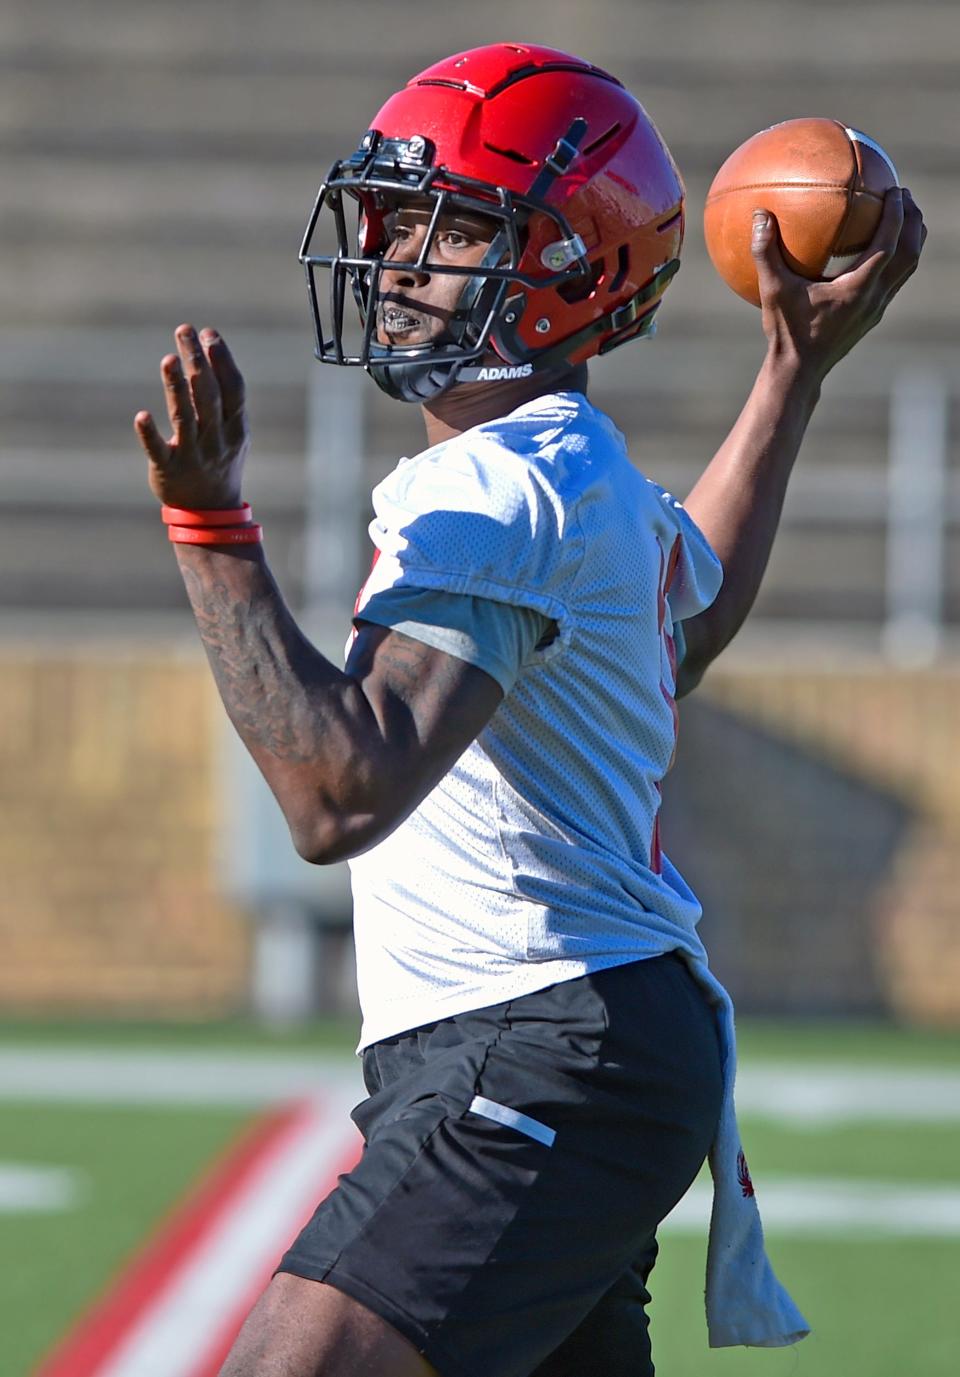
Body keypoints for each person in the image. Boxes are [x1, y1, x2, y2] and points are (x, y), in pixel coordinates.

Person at [134, 43, 925, 1377]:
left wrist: (211, 524)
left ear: (578, 267)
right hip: (580, 1043)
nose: (396, 257)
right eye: (399, 217)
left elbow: (341, 790)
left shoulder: (507, 489)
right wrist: (791, 372)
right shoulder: (573, 470)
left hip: (541, 1041)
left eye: (456, 226)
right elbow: (688, 622)